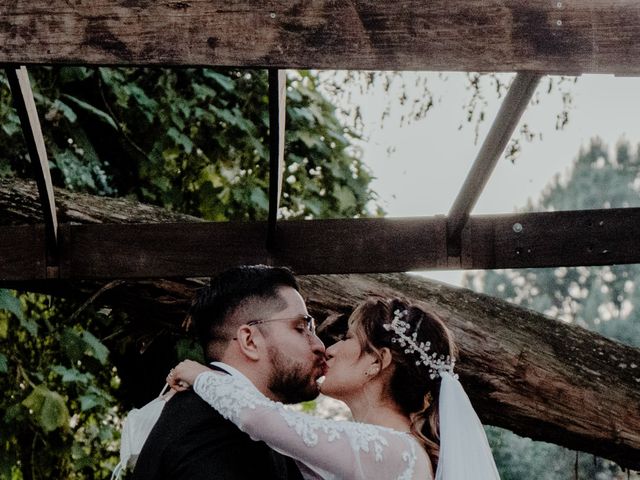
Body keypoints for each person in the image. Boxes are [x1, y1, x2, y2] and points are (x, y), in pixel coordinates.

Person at [168, 296, 501, 480]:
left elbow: (261, 421)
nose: (330, 349)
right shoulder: (383, 450)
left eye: (349, 338)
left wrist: (200, 375)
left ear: (377, 362)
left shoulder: (394, 451)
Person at [131, 264, 327, 480]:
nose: (319, 345)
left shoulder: (251, 426)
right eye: (301, 328)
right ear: (250, 341)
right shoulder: (212, 428)